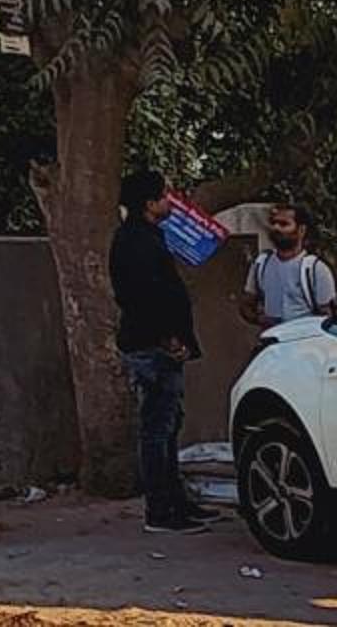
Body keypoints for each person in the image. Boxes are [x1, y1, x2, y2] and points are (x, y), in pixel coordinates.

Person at [110, 167, 213, 533]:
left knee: (168, 426)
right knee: (157, 428)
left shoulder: (147, 237)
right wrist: (168, 337)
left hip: (157, 343)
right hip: (152, 346)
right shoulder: (136, 242)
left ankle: (176, 501)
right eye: (165, 195)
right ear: (149, 203)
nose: (171, 201)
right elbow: (144, 296)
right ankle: (161, 510)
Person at [241, 199, 337, 331]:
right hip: (272, 338)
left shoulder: (316, 269)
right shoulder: (261, 264)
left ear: (301, 230)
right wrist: (261, 319)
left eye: (283, 224)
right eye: (273, 223)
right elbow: (246, 305)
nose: (276, 228)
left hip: (305, 339)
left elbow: (328, 316)